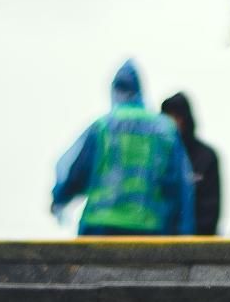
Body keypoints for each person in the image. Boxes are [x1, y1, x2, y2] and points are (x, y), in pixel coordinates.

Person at [50, 60, 194, 236]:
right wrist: (183, 232)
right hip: (149, 228)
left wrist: (59, 198)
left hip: (100, 226)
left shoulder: (102, 127)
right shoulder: (164, 129)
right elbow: (179, 185)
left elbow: (76, 173)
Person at [157, 92, 222, 238]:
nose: (172, 123)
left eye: (176, 117)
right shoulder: (158, 157)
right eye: (167, 117)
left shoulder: (206, 157)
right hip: (161, 241)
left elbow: (211, 211)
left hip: (195, 244)